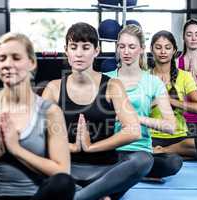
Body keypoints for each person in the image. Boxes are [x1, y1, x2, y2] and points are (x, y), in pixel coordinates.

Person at [42, 22, 153, 200]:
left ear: (96, 50)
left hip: (105, 173)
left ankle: (81, 196)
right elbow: (39, 133)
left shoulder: (112, 85)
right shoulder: (54, 88)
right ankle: (97, 195)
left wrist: (91, 147)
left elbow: (133, 130)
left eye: (85, 47)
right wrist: (72, 146)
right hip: (66, 170)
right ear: (66, 50)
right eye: (74, 47)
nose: (79, 53)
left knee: (144, 160)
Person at [0, 33, 75, 200]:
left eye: (16, 58)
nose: (8, 64)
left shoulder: (50, 112)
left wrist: (16, 149)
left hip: (35, 197)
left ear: (31, 62)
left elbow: (61, 171)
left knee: (64, 183)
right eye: (2, 58)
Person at [105, 24, 183, 180]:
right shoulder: (105, 78)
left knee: (173, 162)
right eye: (122, 46)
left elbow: (171, 127)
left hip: (141, 150)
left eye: (132, 47)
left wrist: (136, 119)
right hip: (112, 149)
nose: (126, 52)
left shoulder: (153, 82)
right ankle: (133, 174)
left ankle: (130, 173)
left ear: (141, 49)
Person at [149, 30, 197, 160]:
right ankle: (177, 154)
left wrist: (169, 100)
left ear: (174, 50)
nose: (163, 52)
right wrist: (154, 102)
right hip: (151, 137)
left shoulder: (185, 76)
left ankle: (163, 151)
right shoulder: (144, 77)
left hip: (179, 137)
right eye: (158, 48)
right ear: (152, 50)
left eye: (167, 48)